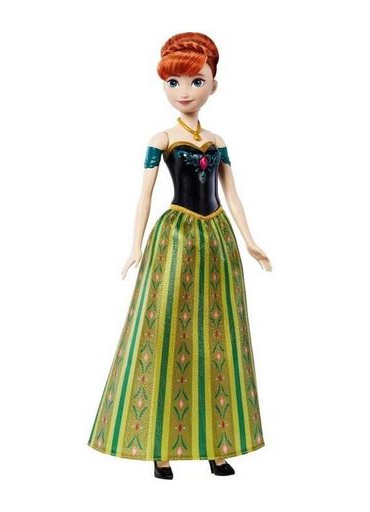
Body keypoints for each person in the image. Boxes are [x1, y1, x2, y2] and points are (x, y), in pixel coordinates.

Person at [87, 31, 272, 479]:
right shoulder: (162, 138)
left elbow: (231, 193)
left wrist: (249, 239)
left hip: (217, 238)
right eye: (173, 83)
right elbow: (145, 195)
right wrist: (135, 246)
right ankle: (160, 447)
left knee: (218, 334)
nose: (184, 91)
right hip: (175, 237)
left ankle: (218, 445)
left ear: (213, 85)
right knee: (165, 331)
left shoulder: (218, 140)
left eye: (195, 81)